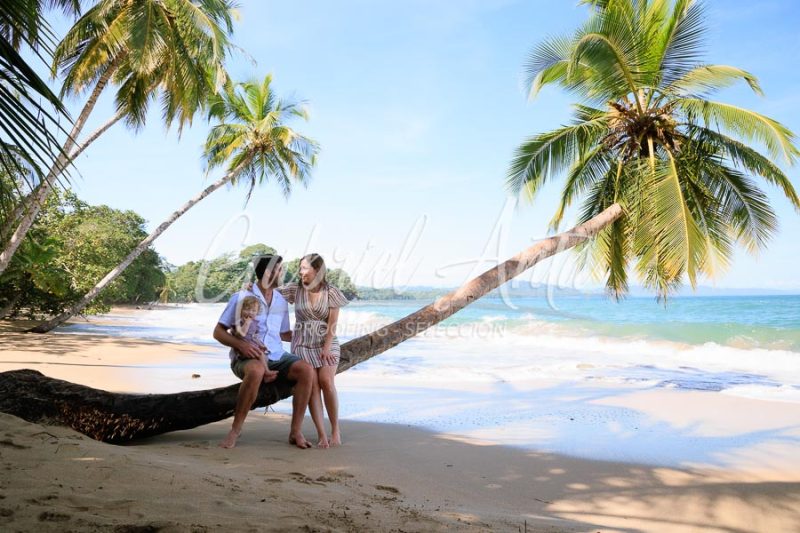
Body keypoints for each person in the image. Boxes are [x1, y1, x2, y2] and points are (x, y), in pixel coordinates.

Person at [213, 254, 316, 449]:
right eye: (279, 270)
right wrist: (241, 345)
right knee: (257, 370)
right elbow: (218, 332)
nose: (282, 273)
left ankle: (295, 432)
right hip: (246, 357)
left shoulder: (280, 300)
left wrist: (310, 336)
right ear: (269, 272)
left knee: (306, 370)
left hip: (277, 355)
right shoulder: (242, 297)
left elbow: (284, 334)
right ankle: (235, 430)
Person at [279, 253, 349, 448]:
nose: (300, 272)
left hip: (326, 341)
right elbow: (270, 294)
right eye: (300, 268)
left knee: (326, 381)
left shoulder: (331, 292)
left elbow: (332, 325)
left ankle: (335, 429)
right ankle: (321, 434)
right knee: (313, 386)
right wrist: (250, 288)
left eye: (304, 268)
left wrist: (327, 348)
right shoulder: (295, 290)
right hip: (301, 343)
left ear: (317, 270)